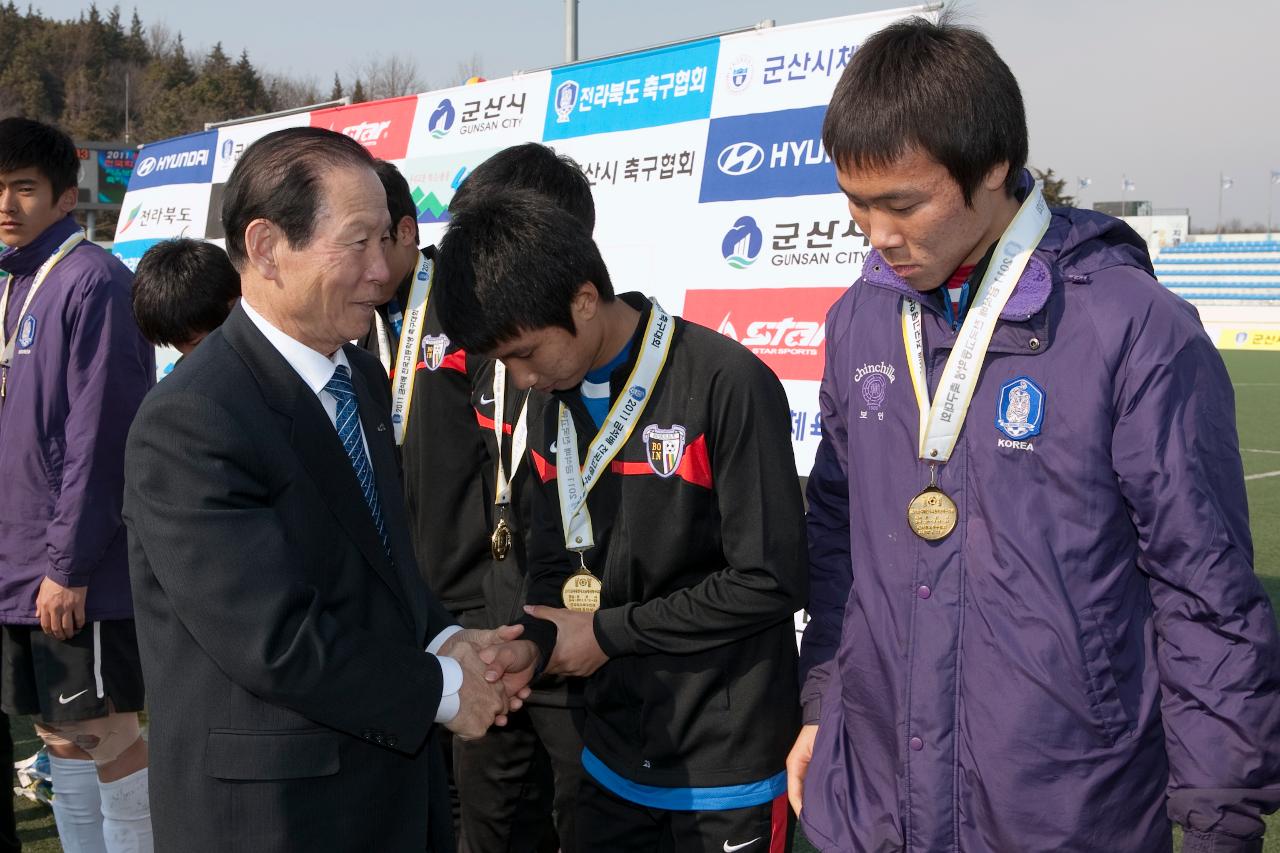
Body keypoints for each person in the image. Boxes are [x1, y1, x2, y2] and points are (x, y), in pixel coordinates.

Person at [789, 16, 1280, 853]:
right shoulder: (859, 321)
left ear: (992, 169)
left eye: (902, 204)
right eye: (856, 203)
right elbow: (839, 546)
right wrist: (820, 707)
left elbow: (1206, 595)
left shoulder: (1135, 329)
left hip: (1062, 813)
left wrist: (1217, 817)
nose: (875, 234)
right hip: (874, 806)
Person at [121, 127, 535, 852]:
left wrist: (447, 636)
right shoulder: (193, 419)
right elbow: (274, 638)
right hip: (276, 814)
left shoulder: (359, 376)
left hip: (387, 793)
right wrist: (442, 688)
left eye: (388, 240)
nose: (384, 270)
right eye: (357, 242)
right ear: (267, 246)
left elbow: (380, 565)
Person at [436, 188, 807, 853]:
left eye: (525, 352)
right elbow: (553, 561)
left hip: (721, 767)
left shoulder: (727, 382)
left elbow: (771, 579)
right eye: (503, 363)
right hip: (606, 759)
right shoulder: (552, 404)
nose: (519, 379)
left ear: (582, 301)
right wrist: (536, 643)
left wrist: (609, 633)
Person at [376, 145, 593, 853]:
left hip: (578, 640)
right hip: (482, 627)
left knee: (589, 817)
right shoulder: (469, 345)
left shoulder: (606, 358)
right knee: (487, 820)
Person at [0, 117, 155, 853]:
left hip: (74, 572)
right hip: (20, 568)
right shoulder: (16, 279)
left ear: (66, 197)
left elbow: (102, 440)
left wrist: (68, 565)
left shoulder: (92, 282)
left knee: (106, 732)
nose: (6, 203)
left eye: (24, 188)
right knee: (56, 736)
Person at [130, 237, 240, 357]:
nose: (191, 356)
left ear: (234, 305)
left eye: (197, 343)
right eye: (175, 344)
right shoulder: (187, 371)